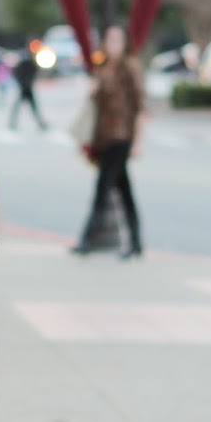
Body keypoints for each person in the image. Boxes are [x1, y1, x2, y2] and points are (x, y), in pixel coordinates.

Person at [72, 25, 144, 257]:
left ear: (125, 43)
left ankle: (87, 239)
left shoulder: (130, 69)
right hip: (104, 138)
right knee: (124, 191)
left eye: (118, 40)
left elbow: (140, 108)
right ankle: (136, 242)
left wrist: (137, 142)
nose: (113, 44)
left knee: (102, 189)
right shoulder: (102, 69)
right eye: (110, 39)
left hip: (121, 138)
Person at [8, 46, 47, 131]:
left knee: (23, 107)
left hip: (26, 87)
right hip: (25, 87)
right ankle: (40, 123)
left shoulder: (26, 64)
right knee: (31, 107)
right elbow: (21, 75)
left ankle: (12, 123)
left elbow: (19, 75)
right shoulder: (28, 64)